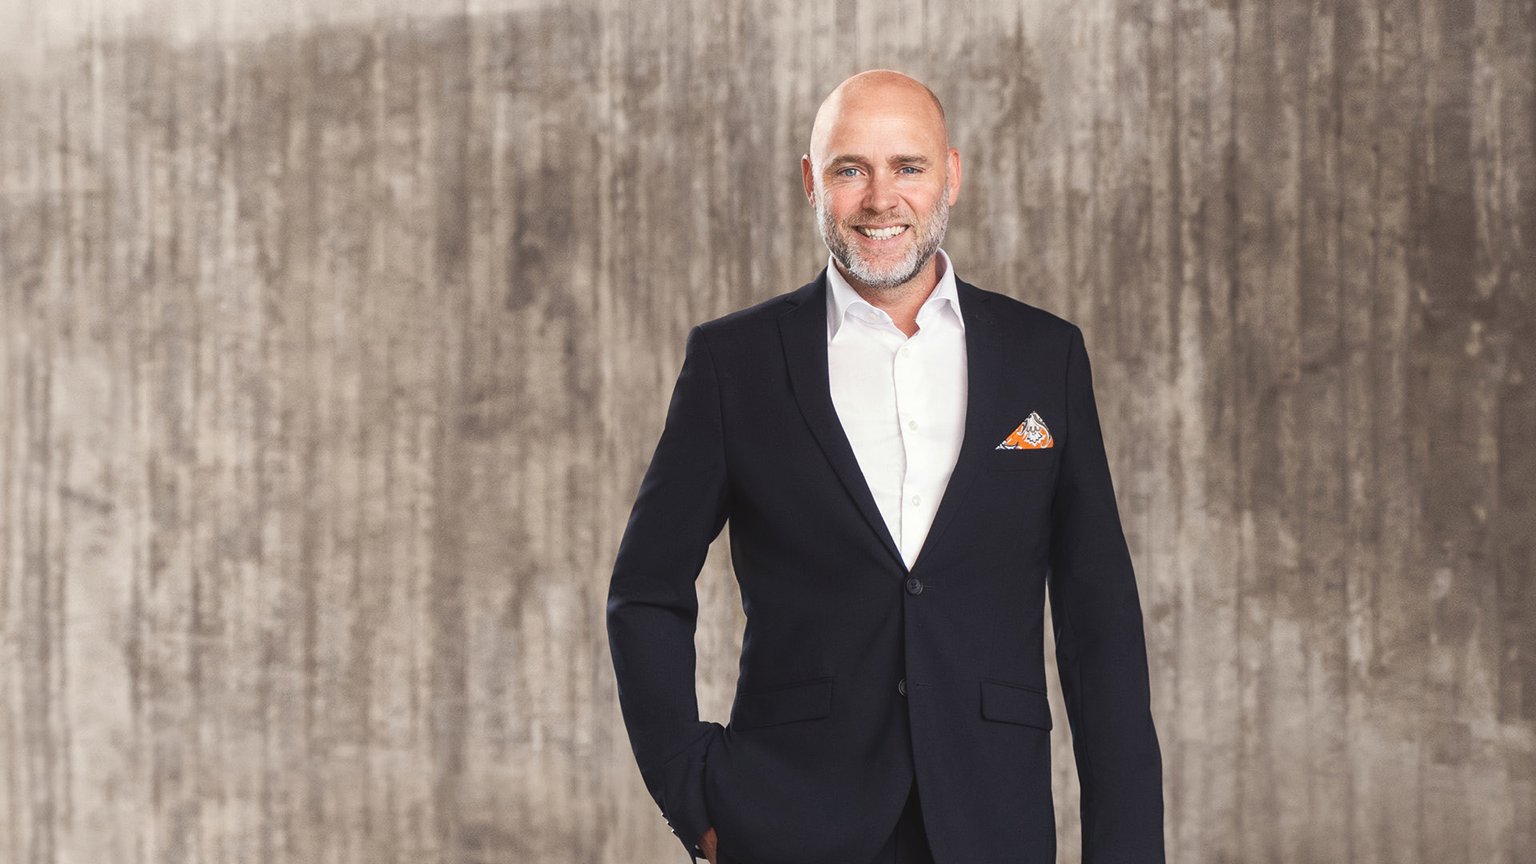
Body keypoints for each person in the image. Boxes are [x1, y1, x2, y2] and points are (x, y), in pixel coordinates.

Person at [606, 69, 1165, 864]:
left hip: (991, 822)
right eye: (851, 169)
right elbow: (645, 591)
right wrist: (692, 792)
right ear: (812, 182)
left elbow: (1097, 621)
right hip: (790, 821)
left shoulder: (1044, 356)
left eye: (908, 166)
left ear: (951, 176)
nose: (880, 199)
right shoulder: (736, 363)